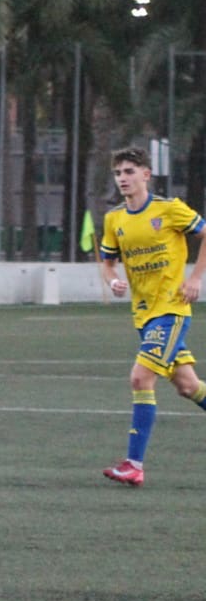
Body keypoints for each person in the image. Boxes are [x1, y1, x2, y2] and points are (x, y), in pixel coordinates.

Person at [98, 145, 206, 486]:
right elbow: (107, 263)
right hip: (144, 316)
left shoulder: (169, 209)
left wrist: (195, 278)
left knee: (140, 378)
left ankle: (134, 464)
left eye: (129, 172)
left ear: (146, 174)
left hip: (171, 311)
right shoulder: (114, 219)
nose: (122, 178)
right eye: (118, 173)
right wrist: (113, 281)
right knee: (188, 386)